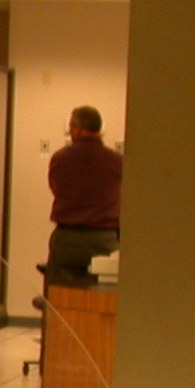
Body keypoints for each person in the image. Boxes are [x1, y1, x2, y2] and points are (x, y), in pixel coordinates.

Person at [46, 106, 120, 286]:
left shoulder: (61, 158)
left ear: (78, 130)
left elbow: (56, 188)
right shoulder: (117, 160)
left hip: (68, 239)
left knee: (61, 293)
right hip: (105, 239)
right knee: (104, 291)